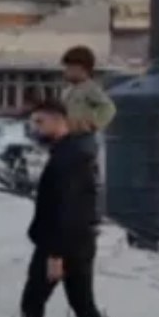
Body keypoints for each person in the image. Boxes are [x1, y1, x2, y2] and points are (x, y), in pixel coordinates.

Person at [0, 101, 111, 317]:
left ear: (59, 121)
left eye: (40, 123)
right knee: (83, 307)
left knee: (34, 302)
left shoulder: (69, 158)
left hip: (62, 245)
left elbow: (67, 210)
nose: (35, 129)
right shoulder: (73, 152)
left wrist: (56, 255)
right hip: (75, 243)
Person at [59, 46, 116, 211]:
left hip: (84, 138)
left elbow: (108, 108)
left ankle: (92, 212)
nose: (66, 72)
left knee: (85, 176)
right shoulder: (68, 91)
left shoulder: (90, 88)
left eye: (70, 68)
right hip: (69, 137)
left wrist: (93, 123)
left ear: (82, 69)